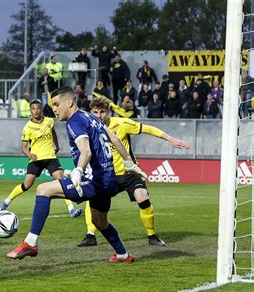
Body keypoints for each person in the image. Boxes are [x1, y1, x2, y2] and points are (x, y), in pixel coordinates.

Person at [6, 86, 147, 262]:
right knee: (99, 222)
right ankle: (123, 255)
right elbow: (115, 139)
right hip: (108, 181)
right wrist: (129, 162)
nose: (54, 109)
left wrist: (79, 171)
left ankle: (30, 243)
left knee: (43, 189)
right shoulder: (91, 117)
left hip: (95, 181)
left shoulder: (75, 121)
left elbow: (86, 151)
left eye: (57, 104)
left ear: (69, 102)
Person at [76, 98, 190, 248]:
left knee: (142, 196)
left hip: (128, 172)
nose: (99, 115)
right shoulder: (89, 129)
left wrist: (170, 139)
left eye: (102, 112)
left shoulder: (122, 123)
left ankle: (152, 235)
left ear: (108, 112)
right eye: (95, 112)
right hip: (106, 174)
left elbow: (147, 128)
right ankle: (90, 235)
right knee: (93, 200)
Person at [0, 99, 82, 218]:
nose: (36, 111)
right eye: (33, 109)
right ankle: (6, 202)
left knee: (61, 180)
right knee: (26, 185)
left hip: (50, 156)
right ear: (31, 111)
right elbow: (23, 147)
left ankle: (71, 209)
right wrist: (29, 154)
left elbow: (53, 133)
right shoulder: (28, 127)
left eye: (38, 108)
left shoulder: (49, 121)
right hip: (36, 159)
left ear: (41, 109)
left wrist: (56, 145)